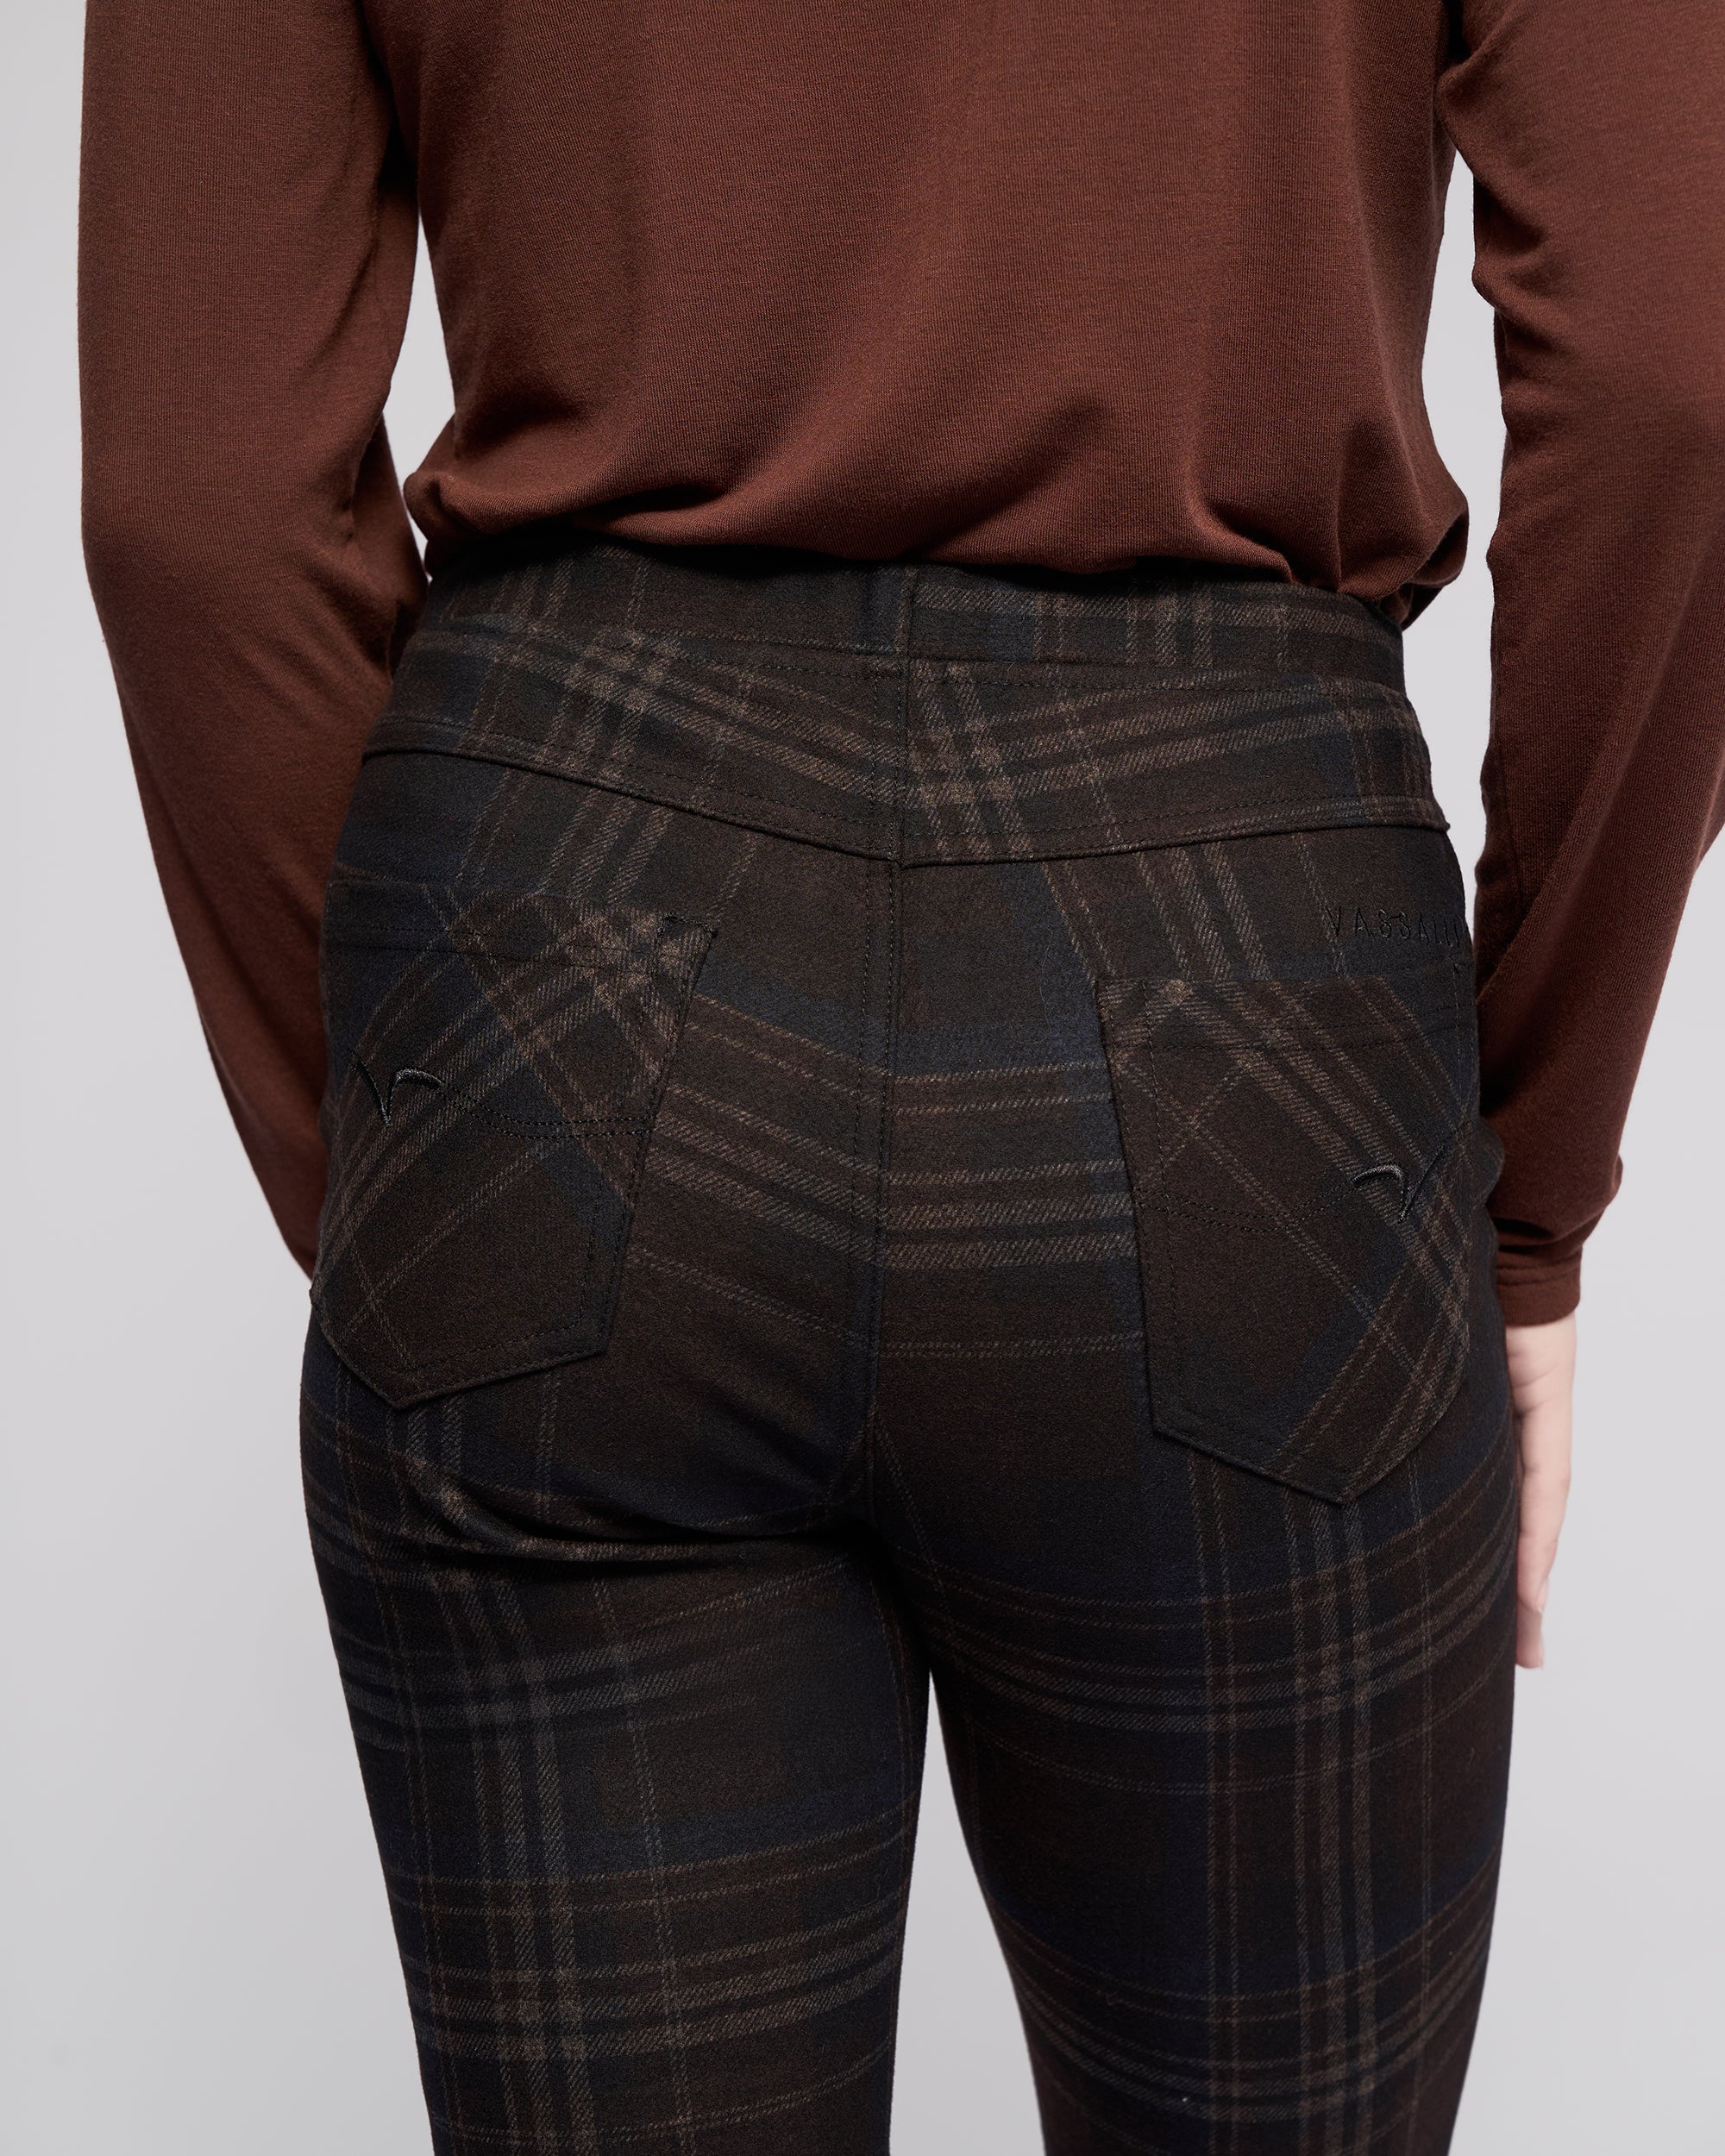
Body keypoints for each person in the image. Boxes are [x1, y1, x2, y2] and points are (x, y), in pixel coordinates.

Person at [77, 3, 1721, 2151]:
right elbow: (1682, 376)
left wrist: (444, 1122)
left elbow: (191, 500)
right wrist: (1519, 1196)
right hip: (1240, 975)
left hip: (563, 932)